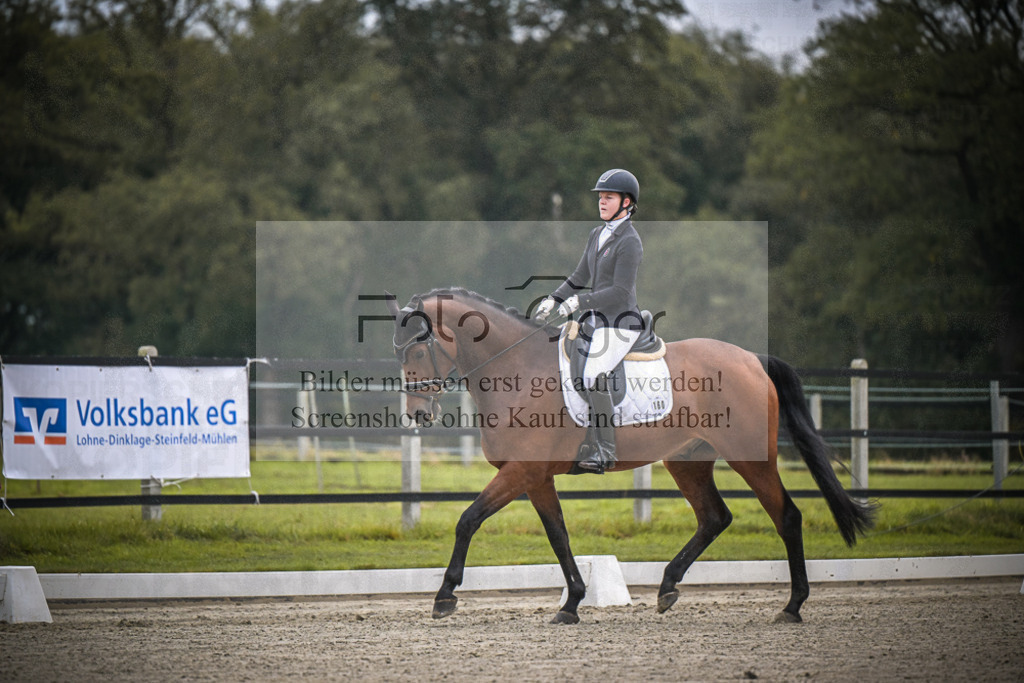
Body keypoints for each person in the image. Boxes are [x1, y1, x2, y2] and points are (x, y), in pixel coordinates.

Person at [534, 168, 644, 473]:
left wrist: (580, 301)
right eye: (600, 197)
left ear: (627, 203)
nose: (602, 202)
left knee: (595, 374)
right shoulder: (597, 234)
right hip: (596, 320)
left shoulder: (630, 242)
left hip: (621, 323)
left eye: (609, 197)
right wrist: (554, 299)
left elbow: (620, 292)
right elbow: (580, 276)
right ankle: (579, 437)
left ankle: (605, 450)